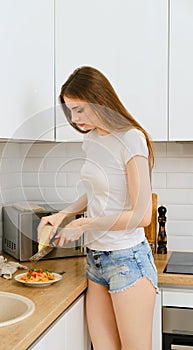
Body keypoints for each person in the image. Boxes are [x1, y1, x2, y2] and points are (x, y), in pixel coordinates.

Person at [38, 66, 158, 350]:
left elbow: (142, 215)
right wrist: (64, 213)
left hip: (128, 261)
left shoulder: (131, 139)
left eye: (79, 110)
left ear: (100, 101)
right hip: (96, 261)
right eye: (70, 112)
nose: (75, 119)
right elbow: (95, 192)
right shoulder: (91, 140)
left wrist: (84, 224)